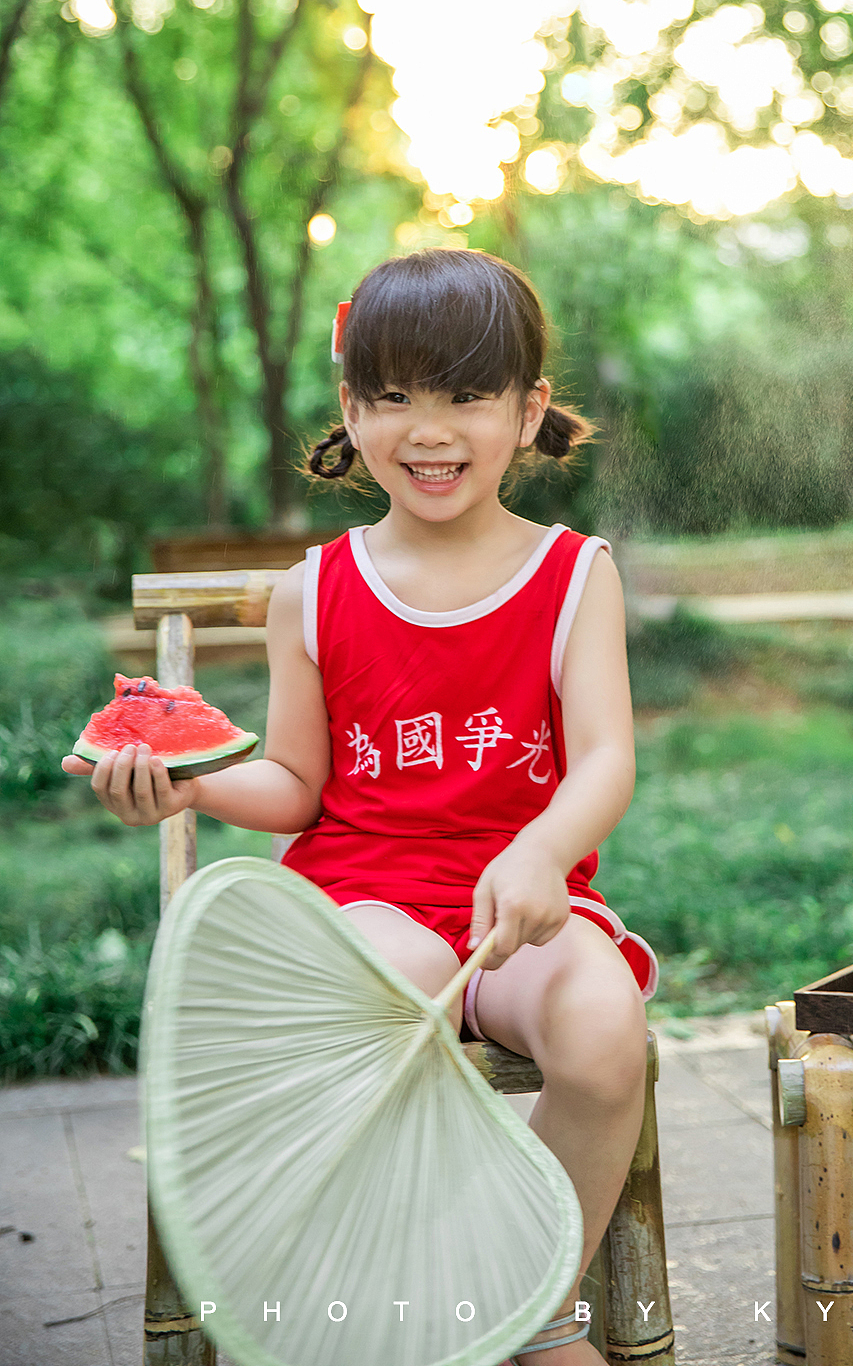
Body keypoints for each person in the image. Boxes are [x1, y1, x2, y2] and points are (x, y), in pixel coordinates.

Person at [63, 248, 657, 1366]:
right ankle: (391, 1292)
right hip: (370, 890)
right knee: (380, 1004)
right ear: (352, 408)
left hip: (526, 896)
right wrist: (183, 780)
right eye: (394, 397)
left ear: (528, 413)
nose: (428, 429)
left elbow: (606, 761)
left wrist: (542, 853)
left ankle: (532, 1302)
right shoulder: (316, 589)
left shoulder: (577, 574)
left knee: (602, 1031)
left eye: (466, 395)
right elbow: (295, 789)